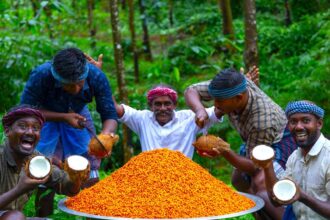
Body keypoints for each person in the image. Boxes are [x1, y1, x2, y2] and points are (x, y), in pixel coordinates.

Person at [184, 67, 298, 219]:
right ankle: (262, 215)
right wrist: (200, 110)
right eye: (214, 99)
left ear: (238, 98)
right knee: (238, 180)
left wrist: (224, 150)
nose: (215, 104)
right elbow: (191, 90)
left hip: (278, 142)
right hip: (253, 140)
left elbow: (254, 164)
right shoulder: (228, 86)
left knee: (261, 184)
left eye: (219, 101)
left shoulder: (262, 120)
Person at [20, 47, 118, 216]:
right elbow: (25, 111)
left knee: (89, 168)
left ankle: (91, 214)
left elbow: (109, 112)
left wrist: (106, 136)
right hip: (45, 117)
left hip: (79, 114)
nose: (77, 89)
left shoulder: (96, 76)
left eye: (80, 83)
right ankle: (44, 216)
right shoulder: (41, 75)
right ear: (57, 77)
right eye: (69, 85)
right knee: (44, 170)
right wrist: (63, 117)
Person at [0, 105, 85, 220]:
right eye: (23, 126)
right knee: (15, 217)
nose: (30, 132)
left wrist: (76, 176)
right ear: (7, 130)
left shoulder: (36, 159)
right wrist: (19, 189)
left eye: (35, 128)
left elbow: (67, 187)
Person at [257, 100, 330, 219]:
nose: (298, 127)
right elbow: (277, 201)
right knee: (261, 196)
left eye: (306, 121)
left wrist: (303, 196)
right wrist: (267, 165)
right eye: (293, 122)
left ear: (319, 124)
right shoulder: (294, 157)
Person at [114, 84, 222, 158]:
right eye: (157, 104)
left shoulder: (189, 118)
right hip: (150, 180)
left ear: (175, 105)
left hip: (184, 179)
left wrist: (233, 89)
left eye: (167, 103)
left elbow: (219, 110)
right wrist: (100, 78)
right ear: (150, 106)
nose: (162, 108)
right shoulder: (142, 119)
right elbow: (116, 109)